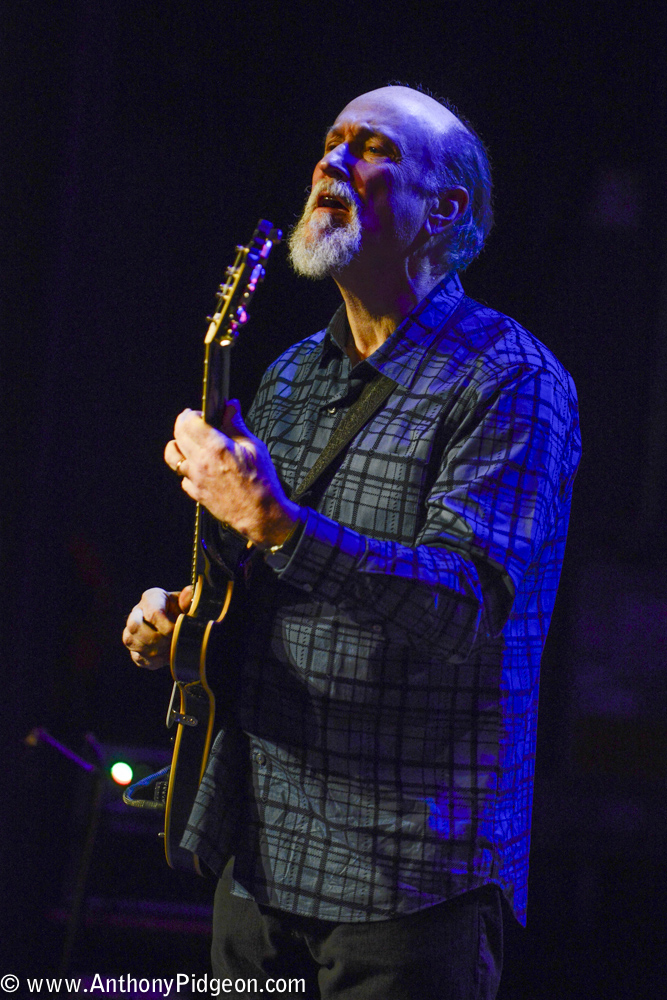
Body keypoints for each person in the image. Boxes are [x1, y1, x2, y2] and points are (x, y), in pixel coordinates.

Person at [123, 85, 580, 999]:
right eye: (329, 141)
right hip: (260, 859)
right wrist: (187, 624)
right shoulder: (295, 372)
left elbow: (461, 606)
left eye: (369, 150)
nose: (331, 161)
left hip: (407, 881)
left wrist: (279, 522)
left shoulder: (511, 380)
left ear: (442, 209)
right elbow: (263, 581)